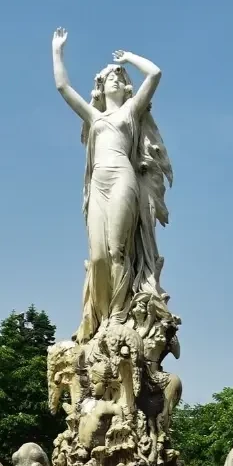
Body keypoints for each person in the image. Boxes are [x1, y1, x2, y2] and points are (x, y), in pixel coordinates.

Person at [51, 28, 171, 343]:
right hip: (98, 183)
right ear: (100, 87)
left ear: (126, 85)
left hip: (122, 179)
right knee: (98, 258)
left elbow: (155, 74)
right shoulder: (93, 116)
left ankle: (117, 317)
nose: (116, 79)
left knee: (118, 250)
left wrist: (129, 58)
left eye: (120, 76)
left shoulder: (131, 111)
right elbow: (62, 86)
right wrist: (57, 51)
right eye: (110, 77)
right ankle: (100, 318)